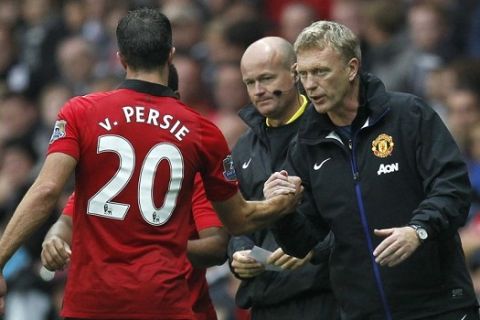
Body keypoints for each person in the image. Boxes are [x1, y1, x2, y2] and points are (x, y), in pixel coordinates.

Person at [0, 8, 302, 320]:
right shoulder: (202, 131)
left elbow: (47, 189)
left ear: (120, 59)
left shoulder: (80, 111)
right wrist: (283, 203)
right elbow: (240, 219)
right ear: (170, 55)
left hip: (90, 304)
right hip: (161, 303)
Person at [265, 21, 479, 319]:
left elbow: (453, 189)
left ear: (351, 69)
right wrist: (281, 210)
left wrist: (418, 230)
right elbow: (304, 243)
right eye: (302, 74)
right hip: (362, 311)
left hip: (439, 307)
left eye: (320, 72)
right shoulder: (306, 145)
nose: (310, 85)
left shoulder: (409, 116)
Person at [40, 64, 225, 320]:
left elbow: (217, 247)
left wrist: (155, 246)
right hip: (107, 306)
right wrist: (54, 239)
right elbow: (66, 221)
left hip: (178, 308)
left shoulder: (192, 173)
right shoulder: (105, 168)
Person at [227, 36, 338, 320]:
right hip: (267, 301)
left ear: (295, 73)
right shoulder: (244, 147)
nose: (258, 91)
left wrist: (314, 250)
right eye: (250, 83)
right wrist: (238, 255)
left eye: (266, 78)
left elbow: (354, 211)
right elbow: (240, 220)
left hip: (326, 297)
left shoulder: (330, 130)